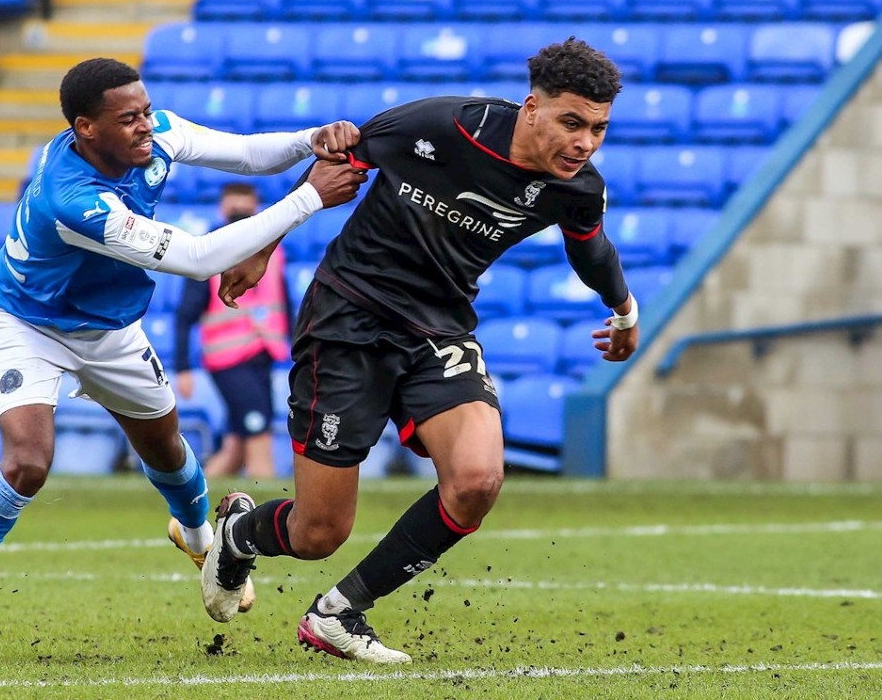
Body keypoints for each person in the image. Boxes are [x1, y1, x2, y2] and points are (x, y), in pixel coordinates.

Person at [199, 38, 639, 663]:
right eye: (572, 123)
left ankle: (338, 613)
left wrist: (625, 311)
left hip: (440, 331)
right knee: (318, 533)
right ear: (531, 108)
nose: (584, 143)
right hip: (349, 318)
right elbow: (338, 160)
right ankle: (239, 534)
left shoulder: (577, 188)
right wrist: (261, 246)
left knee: (477, 481)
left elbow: (589, 248)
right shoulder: (441, 125)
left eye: (598, 129)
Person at [0, 58, 366, 599]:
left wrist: (309, 139)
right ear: (86, 128)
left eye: (146, 110)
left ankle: (199, 537)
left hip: (109, 328)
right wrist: (309, 197)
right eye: (128, 118)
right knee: (27, 463)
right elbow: (200, 259)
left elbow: (246, 154)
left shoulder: (153, 133)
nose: (145, 125)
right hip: (28, 322)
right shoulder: (74, 201)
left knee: (166, 450)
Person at [174, 182, 292, 479]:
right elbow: (185, 314)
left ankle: (192, 497)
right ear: (222, 209)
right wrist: (182, 368)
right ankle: (269, 494)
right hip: (228, 359)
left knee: (235, 447)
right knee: (258, 437)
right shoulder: (208, 252)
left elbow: (285, 305)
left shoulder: (274, 252)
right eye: (234, 204)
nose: (239, 210)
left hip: (264, 353)